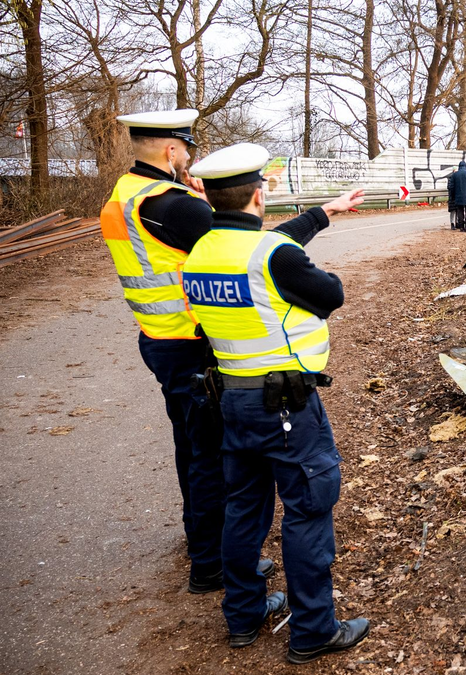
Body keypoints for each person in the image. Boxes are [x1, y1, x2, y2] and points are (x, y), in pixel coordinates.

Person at [181, 143, 370, 663]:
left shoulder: (200, 252)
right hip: (286, 405)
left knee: (242, 510)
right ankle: (313, 631)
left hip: (231, 404)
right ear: (260, 194)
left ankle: (243, 616)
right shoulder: (275, 256)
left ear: (209, 195)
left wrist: (323, 213)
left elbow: (256, 248)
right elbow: (330, 294)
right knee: (307, 510)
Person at [99, 108, 275, 595]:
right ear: (172, 150)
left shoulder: (126, 193)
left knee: (189, 444)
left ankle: (200, 536)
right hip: (193, 344)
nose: (190, 158)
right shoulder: (175, 204)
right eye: (187, 150)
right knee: (211, 454)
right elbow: (241, 250)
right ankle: (213, 562)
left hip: (157, 337)